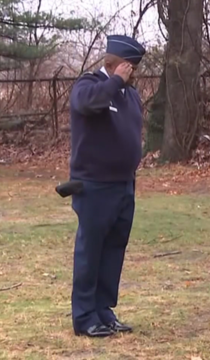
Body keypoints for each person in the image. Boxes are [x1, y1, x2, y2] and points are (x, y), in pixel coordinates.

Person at [67, 34, 146, 337]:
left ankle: (104, 311)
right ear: (116, 65)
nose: (133, 74)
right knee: (91, 250)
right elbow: (89, 105)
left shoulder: (130, 94)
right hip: (94, 186)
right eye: (130, 68)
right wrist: (114, 82)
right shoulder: (88, 86)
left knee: (113, 250)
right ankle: (84, 316)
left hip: (124, 185)